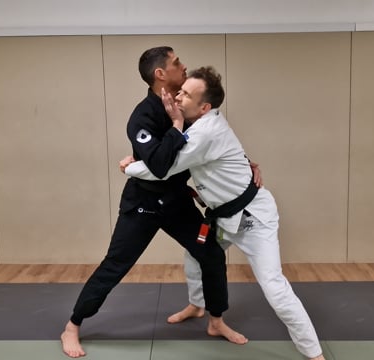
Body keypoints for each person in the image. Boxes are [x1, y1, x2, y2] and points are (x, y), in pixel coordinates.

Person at [121, 66, 325, 360]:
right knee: (196, 254)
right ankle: (198, 305)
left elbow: (164, 167)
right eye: (180, 91)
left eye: (186, 95)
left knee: (274, 287)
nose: (178, 97)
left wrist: (129, 166)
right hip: (222, 217)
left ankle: (314, 353)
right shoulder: (195, 123)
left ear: (204, 107)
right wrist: (249, 162)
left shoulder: (204, 132)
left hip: (253, 219)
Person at [61, 47, 249, 358]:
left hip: (176, 203)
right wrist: (175, 127)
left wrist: (248, 163)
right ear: (160, 74)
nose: (183, 65)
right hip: (143, 205)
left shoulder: (188, 106)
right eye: (176, 63)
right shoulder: (141, 117)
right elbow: (161, 166)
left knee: (212, 255)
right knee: (115, 265)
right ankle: (72, 326)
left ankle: (215, 320)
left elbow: (213, 145)